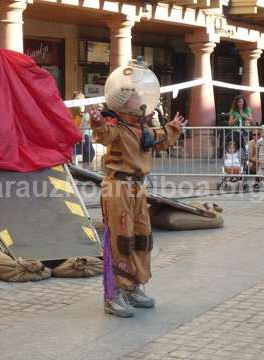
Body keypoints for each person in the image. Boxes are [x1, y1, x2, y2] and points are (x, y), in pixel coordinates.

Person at [89, 59, 186, 318]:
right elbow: (103, 134)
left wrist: (174, 126)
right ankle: (114, 294)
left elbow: (161, 139)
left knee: (141, 237)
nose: (140, 99)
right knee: (120, 239)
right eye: (134, 96)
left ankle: (133, 285)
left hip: (137, 190)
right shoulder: (115, 127)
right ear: (122, 102)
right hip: (118, 188)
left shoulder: (142, 127)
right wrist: (97, 122)